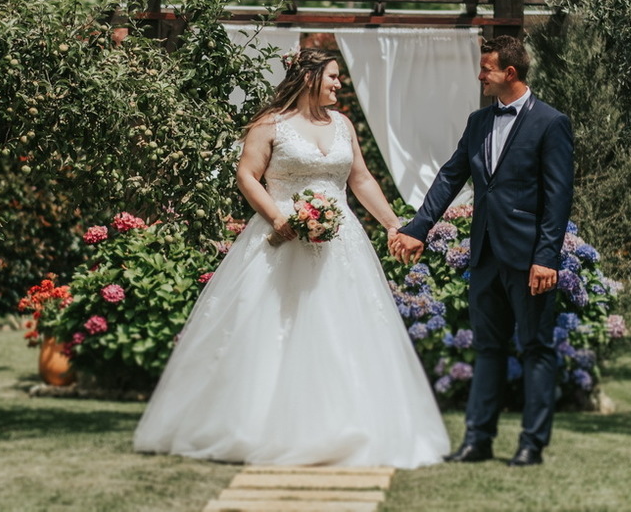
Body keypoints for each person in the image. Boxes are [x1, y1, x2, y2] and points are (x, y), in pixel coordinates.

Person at [133, 48, 450, 467]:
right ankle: (254, 427)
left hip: (341, 242)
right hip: (280, 239)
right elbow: (247, 175)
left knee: (341, 327)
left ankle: (346, 424)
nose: (339, 84)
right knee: (271, 327)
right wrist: (278, 217)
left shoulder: (343, 125)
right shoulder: (270, 124)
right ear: (310, 77)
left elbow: (360, 179)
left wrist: (393, 224)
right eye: (333, 76)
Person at [390, 34, 573, 468]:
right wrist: (418, 227)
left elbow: (558, 197)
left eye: (486, 69)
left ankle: (532, 444)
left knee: (536, 348)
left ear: (509, 72)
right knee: (488, 348)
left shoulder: (551, 123)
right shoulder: (478, 122)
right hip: (485, 256)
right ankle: (478, 441)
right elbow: (450, 176)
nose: (480, 76)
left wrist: (546, 257)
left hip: (529, 259)